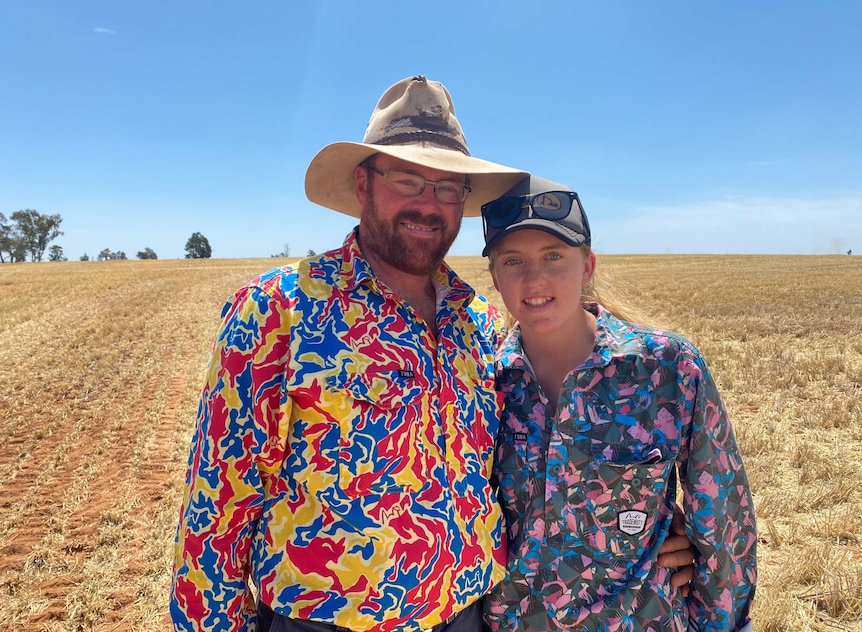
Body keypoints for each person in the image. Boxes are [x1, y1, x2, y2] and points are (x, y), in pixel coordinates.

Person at [170, 76, 696, 632]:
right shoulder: (278, 311)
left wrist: (640, 523)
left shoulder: (479, 325)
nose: (429, 204)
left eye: (448, 188)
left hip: (469, 614)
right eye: (407, 179)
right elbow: (217, 512)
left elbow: (535, 464)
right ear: (363, 184)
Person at [479, 176, 757, 632]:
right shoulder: (480, 381)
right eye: (513, 261)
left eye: (554, 256)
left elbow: (724, 519)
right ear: (494, 276)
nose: (535, 279)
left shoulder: (667, 369)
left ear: (587, 266)